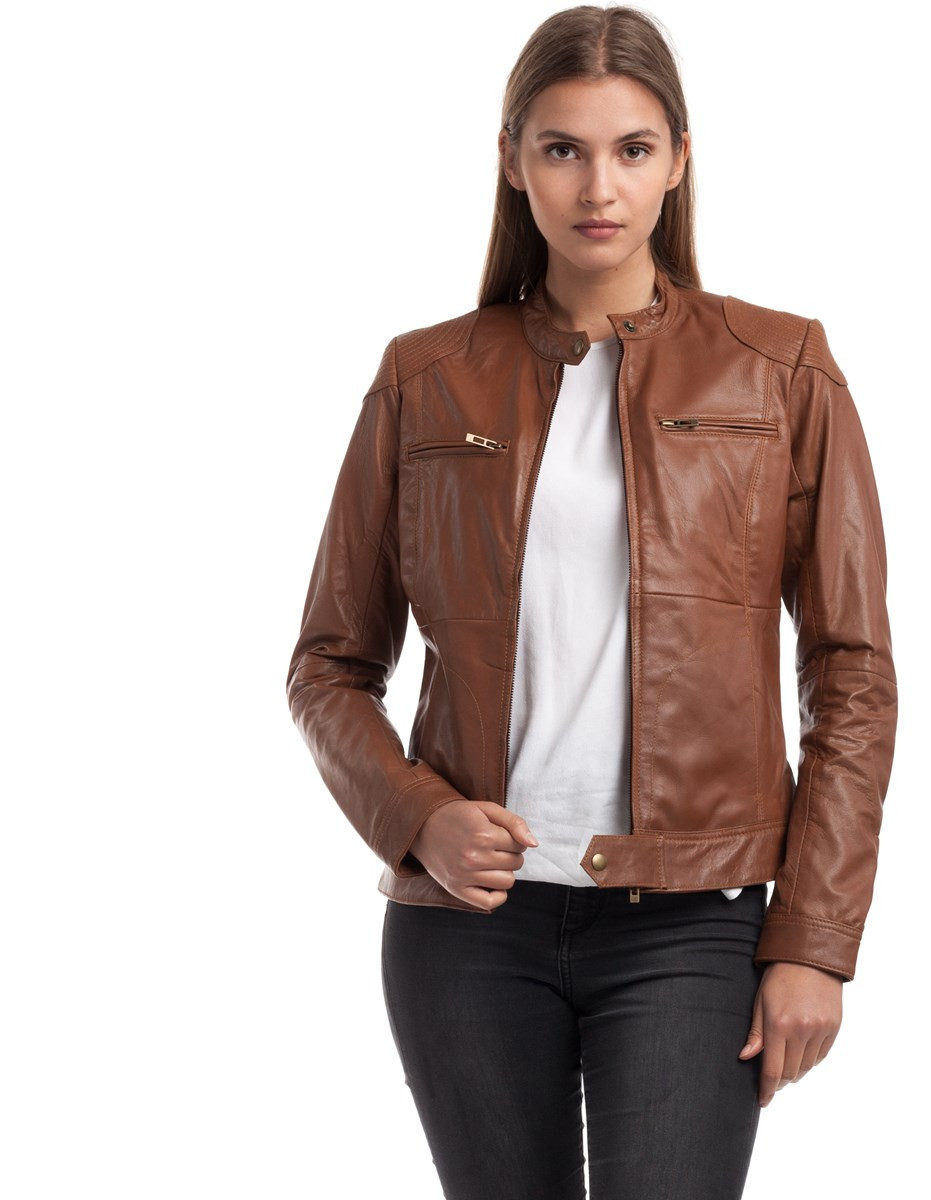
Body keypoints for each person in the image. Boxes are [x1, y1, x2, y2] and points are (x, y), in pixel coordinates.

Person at [285, 6, 898, 1198]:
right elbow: (328, 665)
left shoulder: (781, 371)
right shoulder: (425, 377)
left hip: (694, 922)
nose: (598, 186)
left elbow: (853, 670)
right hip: (467, 929)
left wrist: (816, 940)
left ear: (679, 160)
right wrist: (418, 817)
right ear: (513, 161)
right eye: (562, 148)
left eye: (632, 148)